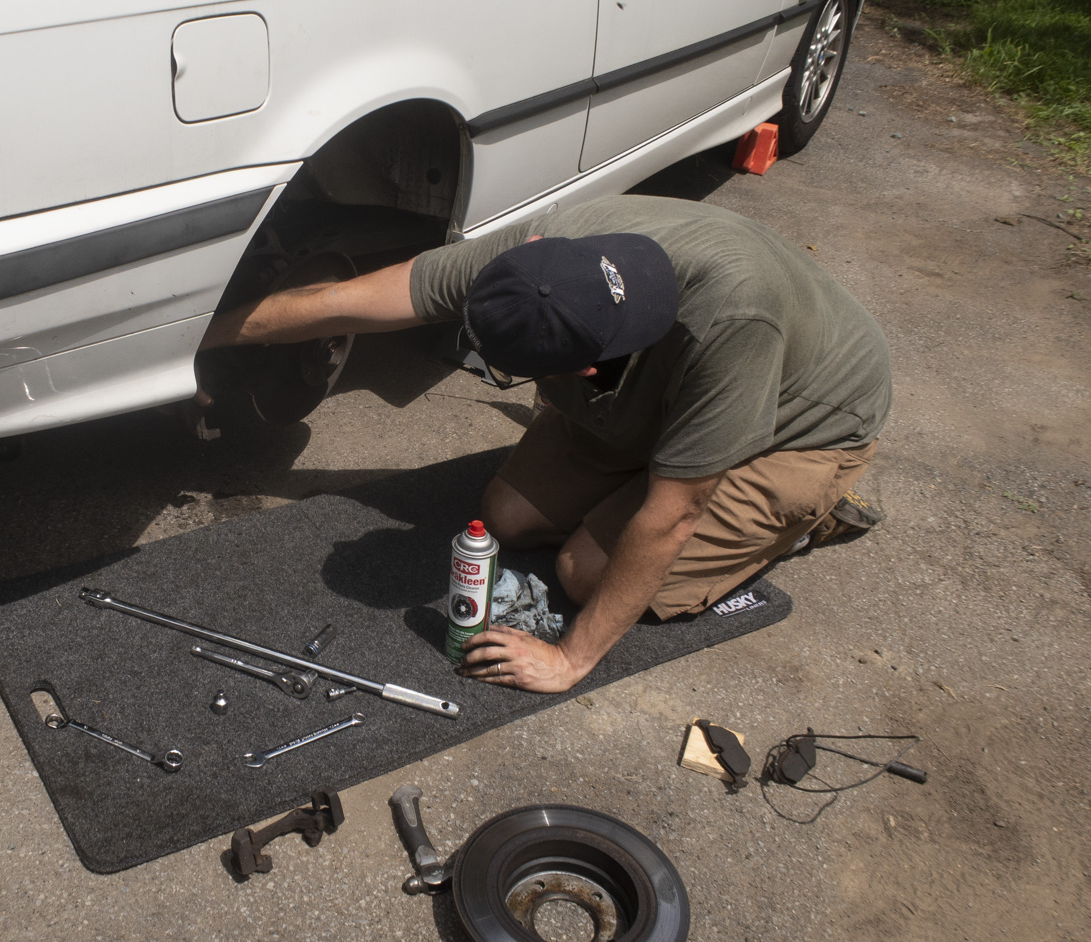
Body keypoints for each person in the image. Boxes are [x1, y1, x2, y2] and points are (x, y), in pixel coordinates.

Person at [199, 195, 892, 693]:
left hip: (798, 426)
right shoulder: (535, 260)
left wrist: (570, 658)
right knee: (508, 516)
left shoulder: (732, 327)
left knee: (586, 573)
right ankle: (665, 454)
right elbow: (361, 298)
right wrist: (200, 341)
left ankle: (810, 513)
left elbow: (674, 516)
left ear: (586, 371)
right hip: (661, 391)